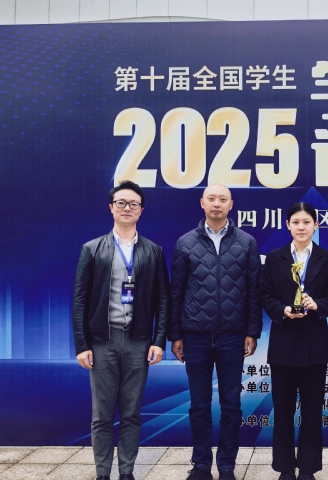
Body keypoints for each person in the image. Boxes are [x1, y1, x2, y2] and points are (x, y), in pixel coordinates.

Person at [72, 180, 170, 480]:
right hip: (102, 342)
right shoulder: (92, 249)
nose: (127, 208)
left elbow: (163, 300)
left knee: (131, 414)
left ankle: (126, 473)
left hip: (139, 342)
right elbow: (79, 300)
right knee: (101, 415)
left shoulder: (153, 251)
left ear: (141, 210)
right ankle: (102, 474)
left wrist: (159, 341)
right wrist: (82, 345)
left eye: (133, 204)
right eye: (121, 203)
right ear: (111, 207)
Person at [169, 184, 262, 480]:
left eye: (223, 199)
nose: (217, 203)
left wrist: (252, 331)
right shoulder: (185, 243)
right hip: (194, 336)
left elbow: (254, 291)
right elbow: (176, 292)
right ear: (202, 203)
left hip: (233, 336)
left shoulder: (246, 242)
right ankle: (200, 465)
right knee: (199, 405)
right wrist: (175, 335)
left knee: (231, 405)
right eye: (211, 199)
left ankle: (226, 466)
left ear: (231, 204)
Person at [260, 202, 328, 480]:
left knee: (312, 412)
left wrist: (319, 305)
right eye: (296, 222)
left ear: (316, 225)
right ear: (288, 225)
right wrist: (282, 309)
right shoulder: (275, 257)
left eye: (307, 222)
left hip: (315, 346)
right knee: (283, 412)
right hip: (283, 344)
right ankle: (285, 468)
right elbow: (264, 294)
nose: (301, 227)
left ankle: (307, 469)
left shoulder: (326, 258)